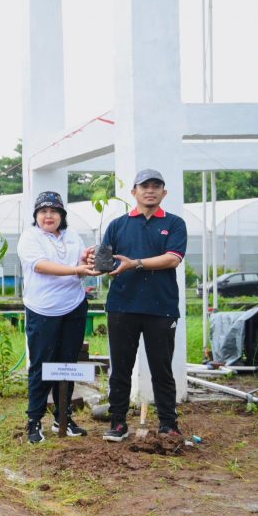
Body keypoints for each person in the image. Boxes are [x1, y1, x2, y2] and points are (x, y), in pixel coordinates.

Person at [89, 169, 188, 442]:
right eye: (145, 186)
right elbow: (105, 264)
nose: (150, 190)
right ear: (134, 192)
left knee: (161, 369)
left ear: (164, 193)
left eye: (156, 186)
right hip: (122, 306)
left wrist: (136, 263)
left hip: (161, 307)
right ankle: (118, 423)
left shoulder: (174, 223)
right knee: (121, 368)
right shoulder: (117, 225)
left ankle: (168, 424)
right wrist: (92, 260)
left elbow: (172, 259)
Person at [18, 190, 96, 444]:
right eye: (43, 211)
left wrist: (87, 260)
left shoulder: (72, 236)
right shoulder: (30, 237)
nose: (48, 216)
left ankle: (63, 417)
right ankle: (34, 420)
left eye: (54, 211)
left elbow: (82, 269)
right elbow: (40, 266)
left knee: (67, 363)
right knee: (42, 365)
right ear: (36, 216)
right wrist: (76, 268)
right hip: (43, 310)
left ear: (62, 215)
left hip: (74, 306)